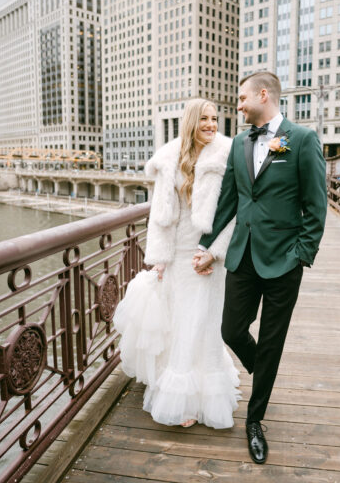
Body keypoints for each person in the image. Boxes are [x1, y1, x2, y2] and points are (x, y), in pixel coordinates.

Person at [194, 71, 327, 464]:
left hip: (285, 261)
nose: (237, 106)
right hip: (243, 255)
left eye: (241, 98)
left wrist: (302, 254)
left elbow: (316, 205)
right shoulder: (239, 144)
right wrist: (206, 244)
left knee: (271, 340)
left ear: (262, 95)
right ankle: (264, 372)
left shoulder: (301, 140)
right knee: (231, 329)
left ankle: (255, 421)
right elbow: (230, 200)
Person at [114, 98, 239, 429]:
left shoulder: (227, 155)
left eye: (215, 119)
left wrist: (213, 252)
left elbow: (235, 211)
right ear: (191, 123)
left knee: (204, 323)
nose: (212, 125)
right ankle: (181, 398)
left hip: (208, 253)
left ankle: (202, 398)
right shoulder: (170, 158)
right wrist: (159, 259)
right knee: (180, 323)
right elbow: (160, 215)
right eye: (204, 120)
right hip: (178, 255)